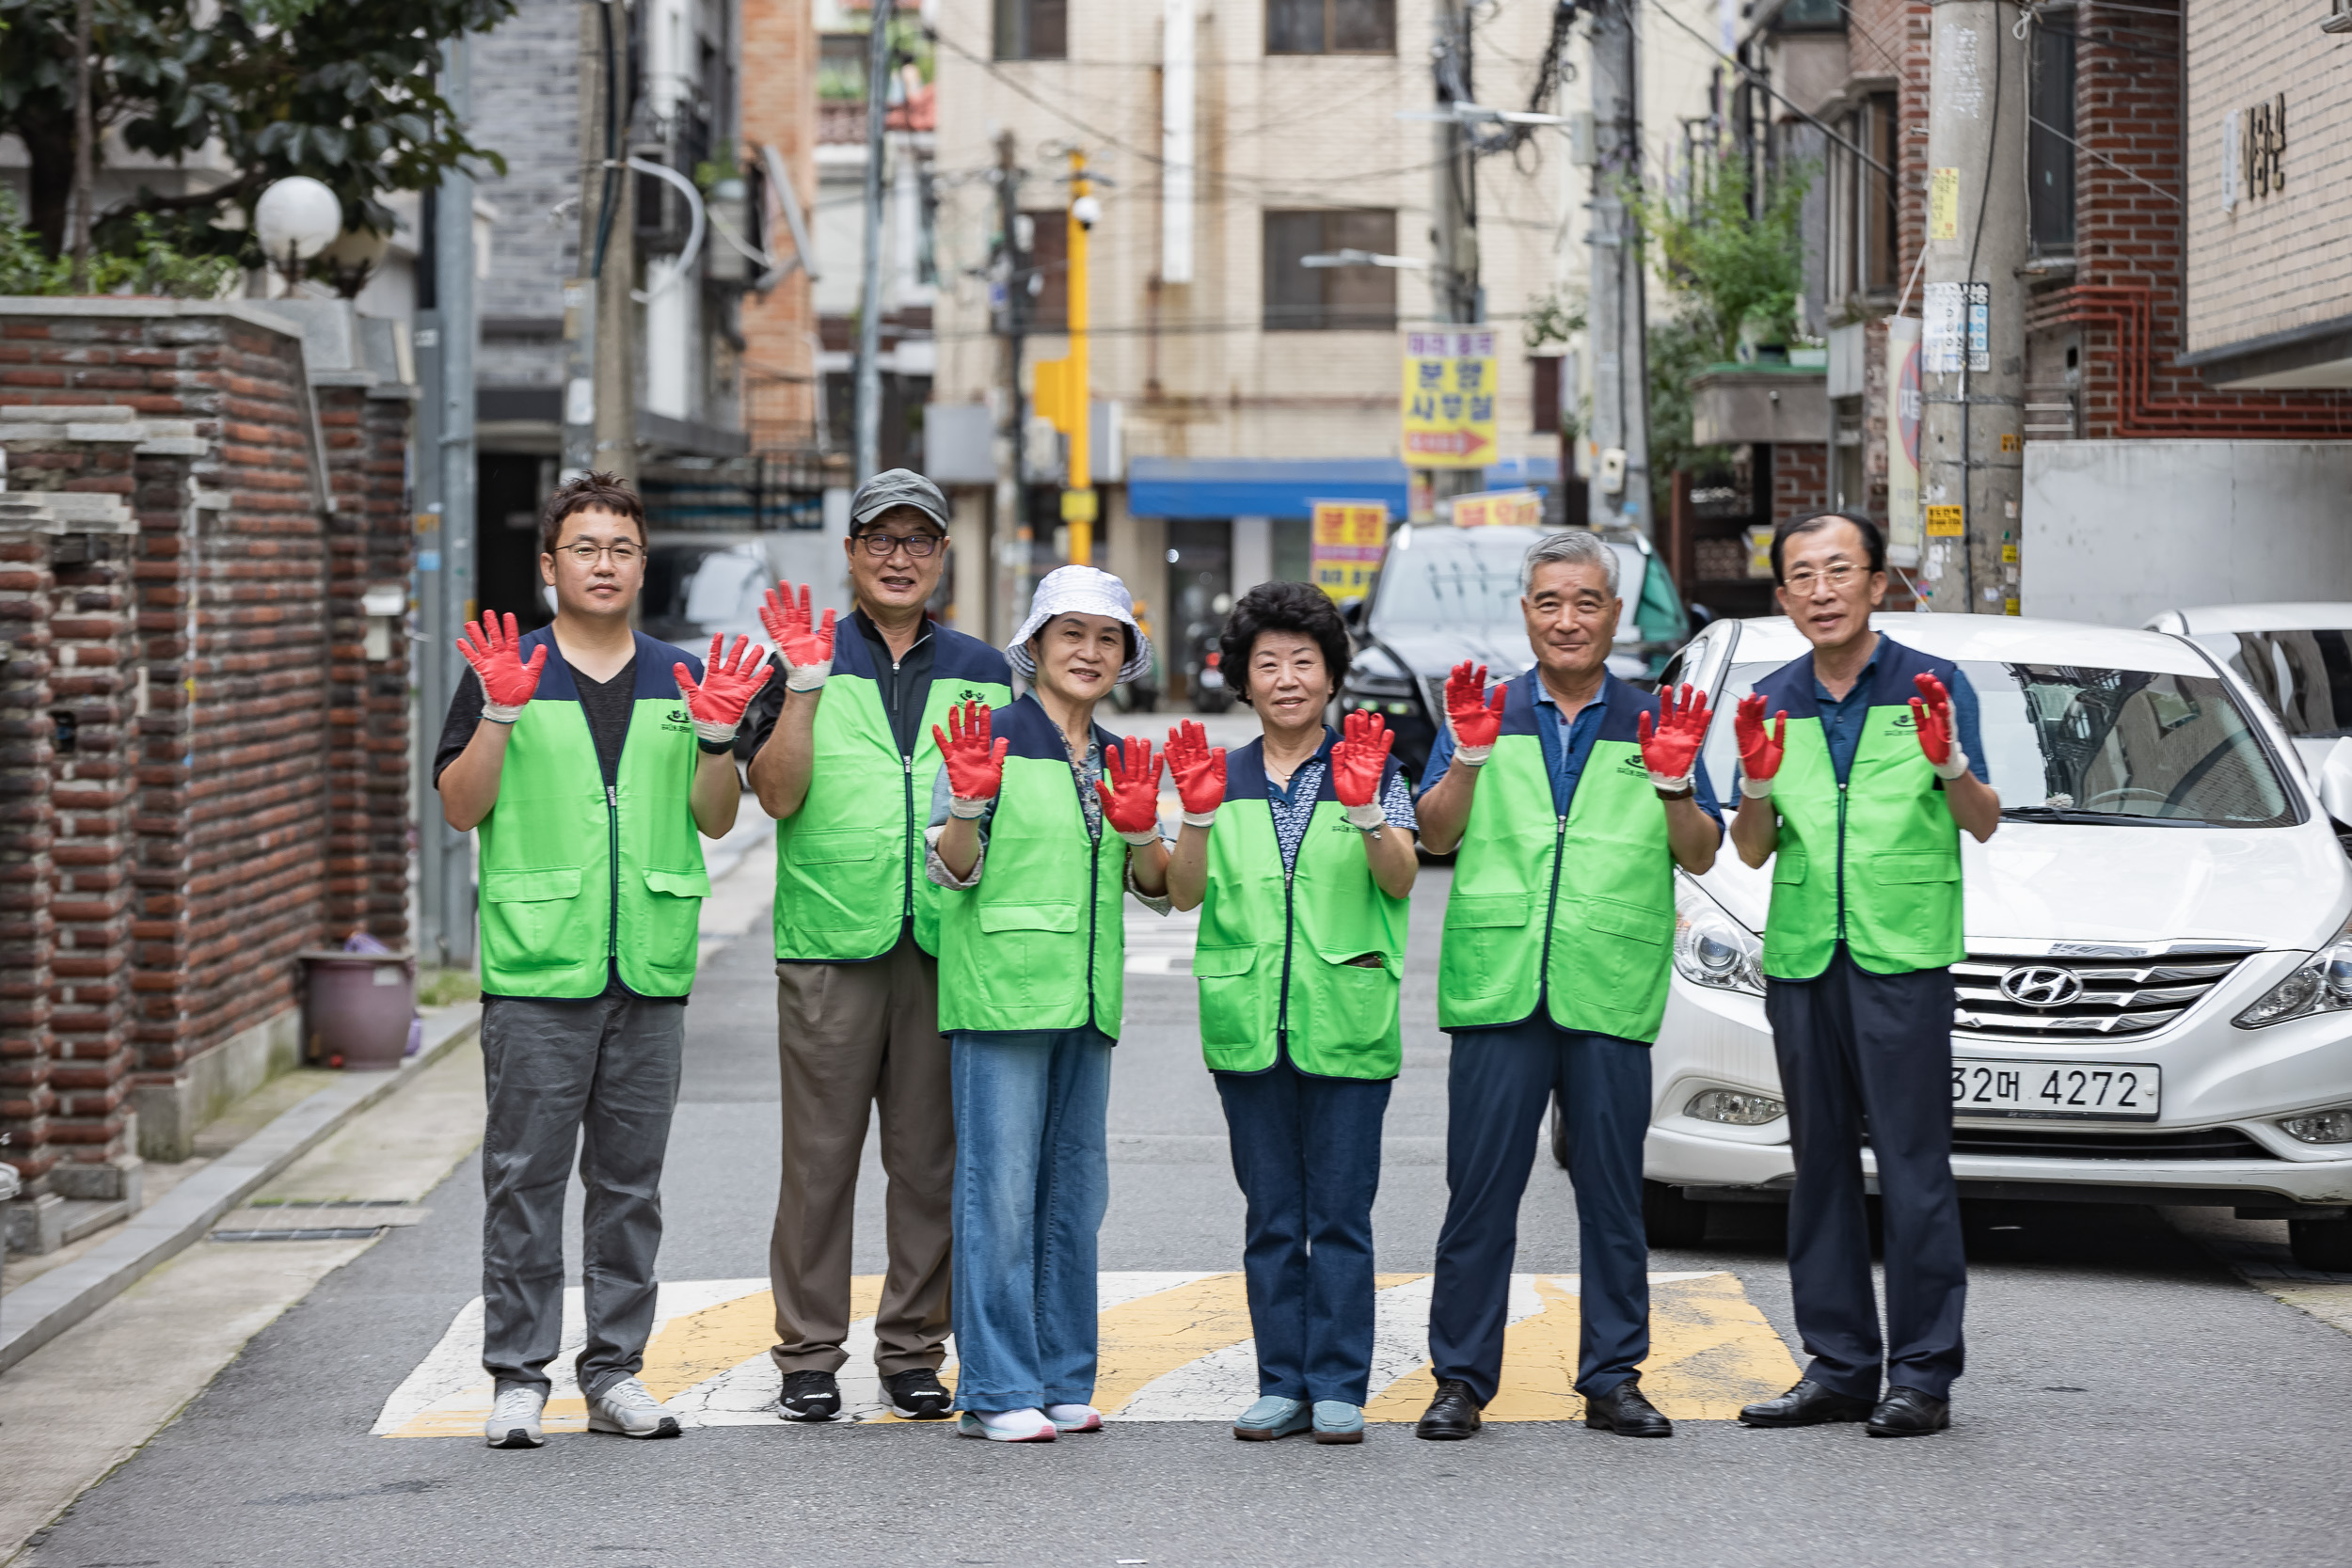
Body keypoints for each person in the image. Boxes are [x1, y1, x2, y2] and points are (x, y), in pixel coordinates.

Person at [436, 471, 771, 1449]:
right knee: (525, 1181)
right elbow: (461, 805)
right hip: (538, 968)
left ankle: (616, 1371)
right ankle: (516, 1373)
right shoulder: (510, 668)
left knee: (631, 1189)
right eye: (583, 546)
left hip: (651, 969)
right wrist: (498, 713)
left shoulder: (681, 673)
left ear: (641, 563)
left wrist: (717, 739)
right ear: (549, 566)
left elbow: (716, 817)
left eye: (621, 548)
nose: (604, 563)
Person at [1410, 529, 1724, 1444]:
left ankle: (1613, 1375)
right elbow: (1433, 836)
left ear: (1614, 613)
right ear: (1526, 612)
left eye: (1586, 601)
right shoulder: (1484, 710)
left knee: (1613, 1196)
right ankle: (1460, 1378)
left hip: (1607, 984)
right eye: (1549, 601)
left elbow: (1699, 849)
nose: (1567, 619)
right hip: (1499, 983)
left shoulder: (1655, 713)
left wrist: (1673, 784)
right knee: (1478, 1192)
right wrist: (1465, 756)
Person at [741, 469, 1011, 1423]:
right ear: (850, 552)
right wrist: (806, 687)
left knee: (929, 1161)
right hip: (828, 941)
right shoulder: (800, 654)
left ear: (941, 555)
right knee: (817, 1161)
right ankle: (808, 1352)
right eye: (881, 539)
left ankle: (910, 1350)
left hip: (944, 943)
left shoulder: (984, 665)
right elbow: (773, 794)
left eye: (919, 540)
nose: (900, 557)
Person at [1729, 512, 1999, 1439]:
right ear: (1782, 597)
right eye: (1800, 575)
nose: (1820, 588)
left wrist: (1950, 761)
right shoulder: (1770, 697)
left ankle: (1922, 1371)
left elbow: (1983, 819)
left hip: (1901, 960)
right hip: (1804, 960)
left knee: (1916, 1168)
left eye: (1839, 569)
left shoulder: (1931, 684)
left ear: (1877, 582)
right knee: (1819, 1170)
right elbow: (1751, 847)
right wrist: (1757, 783)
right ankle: (1841, 1364)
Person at [1164, 582, 1419, 1447]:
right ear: (1241, 678)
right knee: (1271, 1217)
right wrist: (1193, 817)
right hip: (1247, 1024)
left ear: (1333, 674)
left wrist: (1364, 806)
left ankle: (1340, 1382)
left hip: (1346, 1019)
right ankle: (1281, 1380)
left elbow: (1402, 876)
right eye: (1266, 662)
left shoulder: (1374, 762)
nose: (1285, 678)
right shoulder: (1219, 774)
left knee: (1341, 1216)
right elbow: (1182, 892)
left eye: (1304, 661)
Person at [926, 565, 1171, 1443]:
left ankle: (1063, 1375)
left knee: (1074, 1197)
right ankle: (995, 1386)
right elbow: (951, 866)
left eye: (1107, 639)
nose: (1089, 652)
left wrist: (1146, 830)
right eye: (1071, 634)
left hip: (1088, 999)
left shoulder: (1113, 756)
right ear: (1034, 646)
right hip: (1000, 997)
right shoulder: (985, 736)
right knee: (998, 1196)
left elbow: (1158, 887)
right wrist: (964, 802)